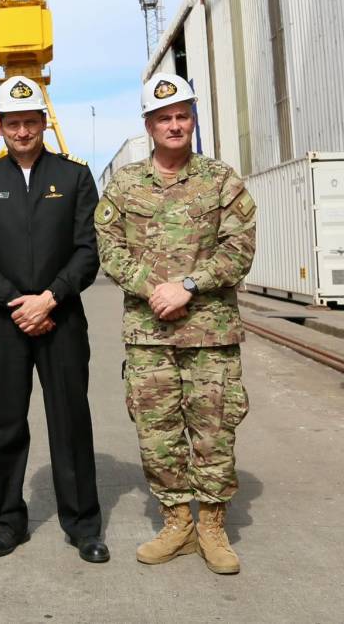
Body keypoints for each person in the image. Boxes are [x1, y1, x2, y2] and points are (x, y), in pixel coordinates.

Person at [95, 73, 255, 575]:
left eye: (182, 115)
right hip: (149, 335)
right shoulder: (124, 185)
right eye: (164, 117)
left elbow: (240, 248)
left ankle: (211, 524)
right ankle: (175, 523)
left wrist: (188, 285)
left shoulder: (221, 180)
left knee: (214, 432)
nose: (174, 124)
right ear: (148, 125)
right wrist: (151, 287)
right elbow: (108, 248)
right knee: (157, 433)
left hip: (210, 333)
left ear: (193, 119)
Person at [0, 76, 108, 563]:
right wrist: (18, 304)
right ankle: (7, 523)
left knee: (70, 420)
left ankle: (83, 524)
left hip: (61, 317)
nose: (22, 131)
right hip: (5, 322)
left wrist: (50, 298)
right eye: (13, 123)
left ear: (44, 122)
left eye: (30, 121)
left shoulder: (73, 177)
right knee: (6, 422)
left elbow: (89, 250)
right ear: (0, 127)